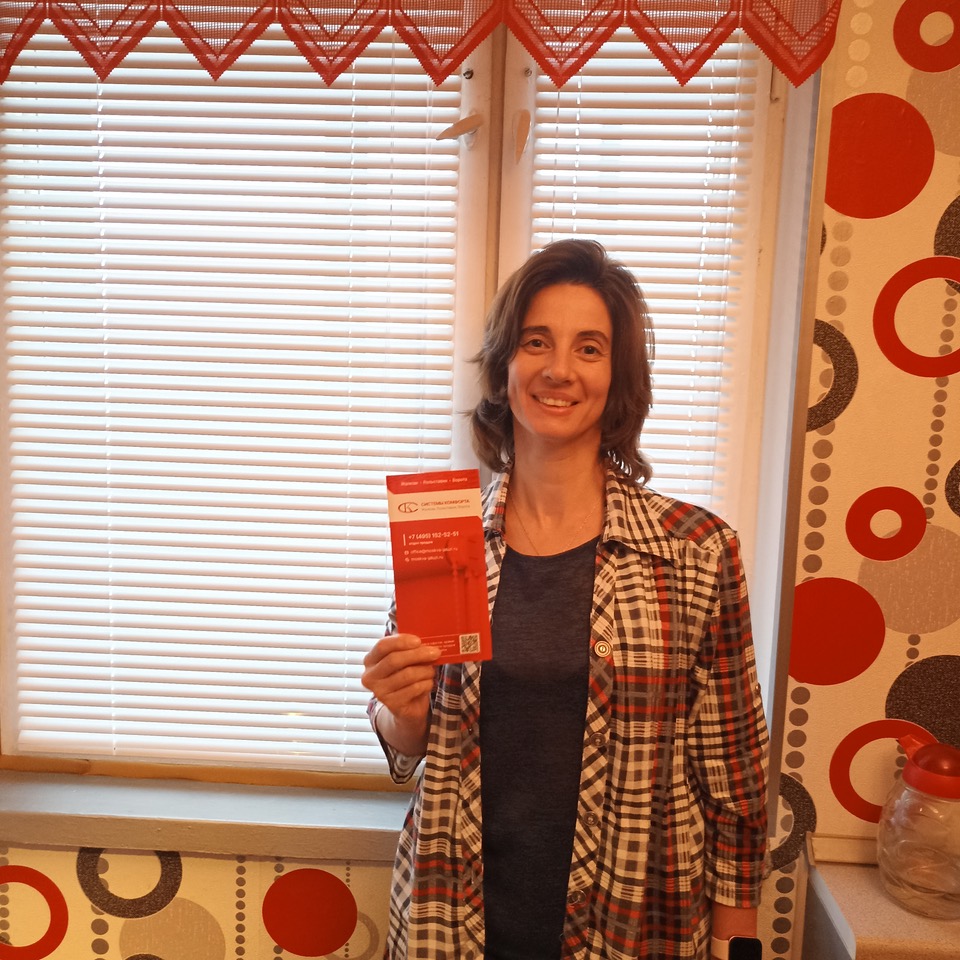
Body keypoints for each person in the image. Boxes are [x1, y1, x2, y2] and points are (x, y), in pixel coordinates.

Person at [362, 238, 769, 960]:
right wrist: (403, 712)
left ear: (618, 376)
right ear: (504, 367)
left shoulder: (697, 552)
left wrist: (736, 939)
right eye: (535, 342)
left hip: (635, 923)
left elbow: (732, 770)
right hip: (451, 918)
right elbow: (410, 745)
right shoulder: (444, 541)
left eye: (589, 348)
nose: (558, 369)